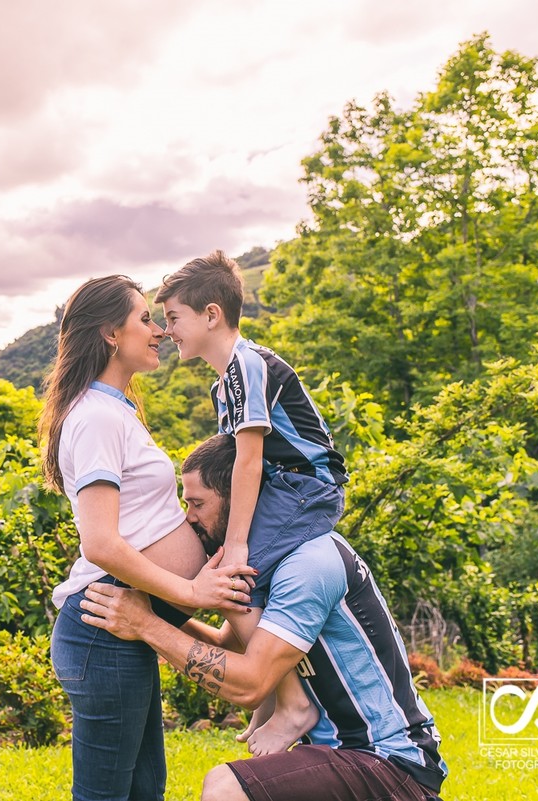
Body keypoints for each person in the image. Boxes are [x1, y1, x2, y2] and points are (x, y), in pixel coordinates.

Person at [80, 434, 448, 801]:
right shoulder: (273, 564)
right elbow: (229, 646)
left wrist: (146, 624)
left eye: (197, 504)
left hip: (389, 763)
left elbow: (251, 683)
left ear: (241, 498)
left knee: (225, 787)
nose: (188, 517)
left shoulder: (309, 564)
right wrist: (140, 615)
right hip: (341, 756)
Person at [38, 275, 252, 801]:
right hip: (102, 630)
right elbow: (101, 545)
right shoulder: (94, 418)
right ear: (112, 332)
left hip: (122, 632)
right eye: (144, 319)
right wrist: (192, 594)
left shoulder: (115, 412)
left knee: (144, 790)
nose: (157, 331)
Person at [155, 250, 349, 755]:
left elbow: (248, 462)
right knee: (229, 573)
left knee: (238, 574)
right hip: (283, 487)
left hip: (306, 486)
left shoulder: (246, 366)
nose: (168, 329)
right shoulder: (227, 380)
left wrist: (238, 542)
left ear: (212, 314)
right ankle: (275, 693)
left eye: (174, 318)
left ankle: (293, 704)